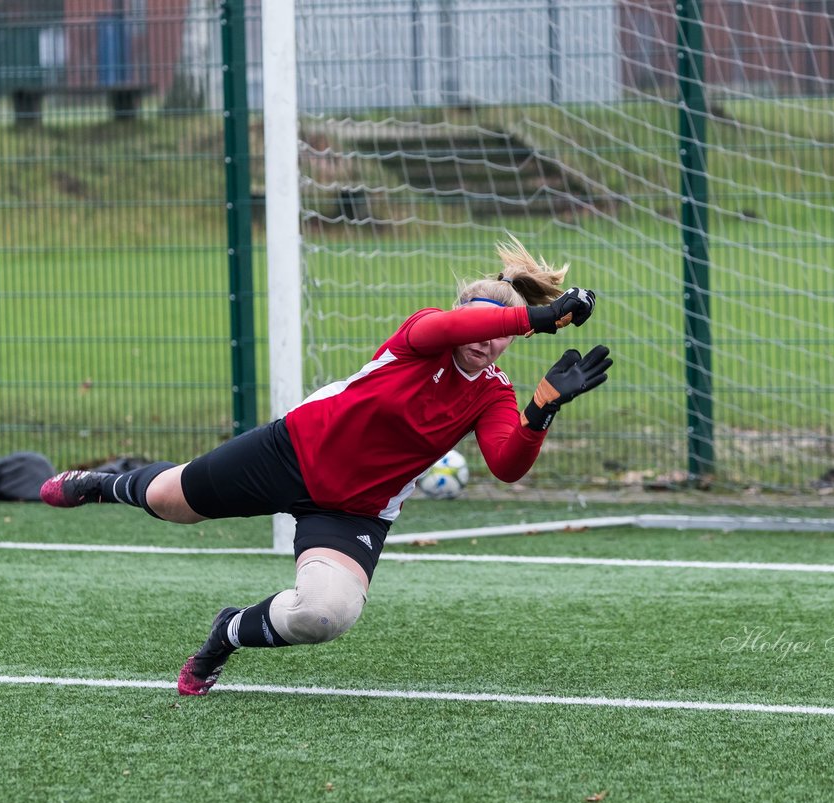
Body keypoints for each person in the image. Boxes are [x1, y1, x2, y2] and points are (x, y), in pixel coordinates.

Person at [39, 237, 612, 696]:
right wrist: (536, 318)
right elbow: (459, 328)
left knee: (323, 615)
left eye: (500, 334)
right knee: (169, 503)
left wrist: (541, 407)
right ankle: (103, 484)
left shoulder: (492, 392)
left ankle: (227, 634)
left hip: (354, 509)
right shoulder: (425, 332)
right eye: (481, 322)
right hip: (293, 452)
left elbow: (506, 465)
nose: (486, 342)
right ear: (464, 313)